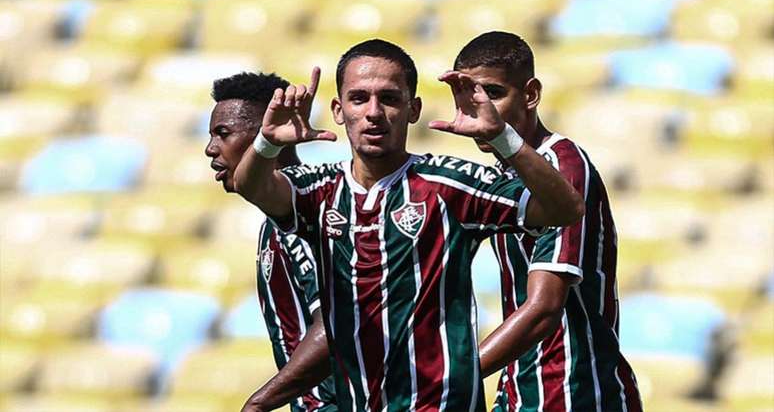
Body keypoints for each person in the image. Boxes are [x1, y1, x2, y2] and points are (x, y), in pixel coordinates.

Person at [233, 38, 585, 411]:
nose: (373, 112)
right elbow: (250, 186)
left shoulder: (449, 185)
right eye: (358, 99)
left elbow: (564, 209)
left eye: (389, 98)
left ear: (413, 109)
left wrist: (503, 137)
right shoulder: (319, 191)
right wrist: (266, 144)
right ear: (338, 110)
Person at [453, 31, 643, 412]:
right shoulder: (501, 179)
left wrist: (455, 378)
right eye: (467, 98)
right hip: (521, 394)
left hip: (576, 394)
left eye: (492, 93)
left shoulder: (563, 167)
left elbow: (544, 308)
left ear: (531, 93)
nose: (480, 108)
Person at [205, 71, 337, 412]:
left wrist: (260, 403)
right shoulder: (275, 219)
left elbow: (336, 324)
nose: (210, 149)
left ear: (267, 133)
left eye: (224, 133)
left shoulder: (306, 211)